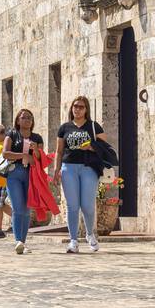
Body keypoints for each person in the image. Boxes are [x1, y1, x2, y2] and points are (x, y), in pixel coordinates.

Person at [52, 96, 103, 253]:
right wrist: (56, 170)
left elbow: (104, 147)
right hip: (69, 168)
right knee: (72, 206)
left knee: (87, 206)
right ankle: (73, 240)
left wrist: (91, 147)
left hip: (89, 168)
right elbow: (59, 151)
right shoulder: (64, 128)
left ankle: (89, 234)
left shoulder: (94, 126)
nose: (77, 109)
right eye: (75, 106)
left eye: (81, 106)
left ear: (86, 109)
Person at [3, 110, 46, 254]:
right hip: (14, 173)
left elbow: (41, 158)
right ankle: (18, 240)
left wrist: (36, 151)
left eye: (30, 118)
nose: (27, 120)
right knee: (17, 207)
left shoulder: (37, 138)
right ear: (18, 120)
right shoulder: (12, 134)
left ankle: (23, 242)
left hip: (31, 174)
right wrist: (23, 155)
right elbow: (5, 153)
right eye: (24, 117)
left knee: (27, 208)